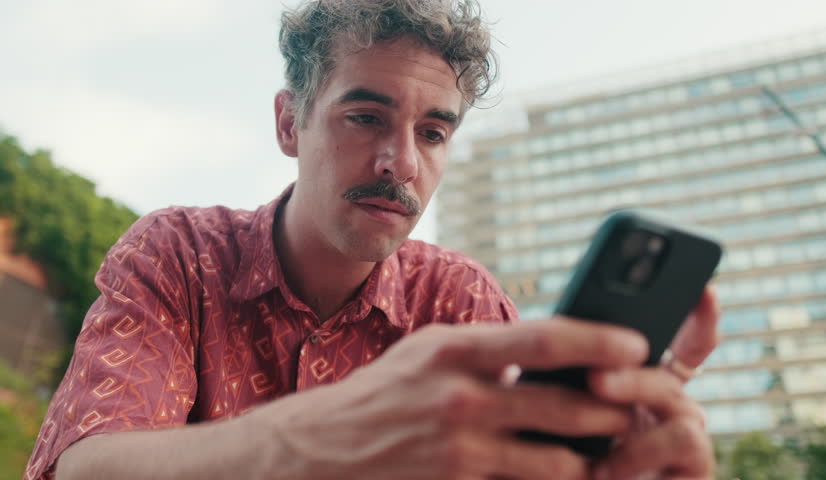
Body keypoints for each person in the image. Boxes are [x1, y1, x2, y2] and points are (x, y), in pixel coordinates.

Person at [25, 1, 720, 479]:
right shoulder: (180, 253)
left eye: (434, 132)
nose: (402, 163)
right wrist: (315, 441)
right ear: (289, 124)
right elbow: (87, 466)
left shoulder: (460, 299)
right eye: (365, 117)